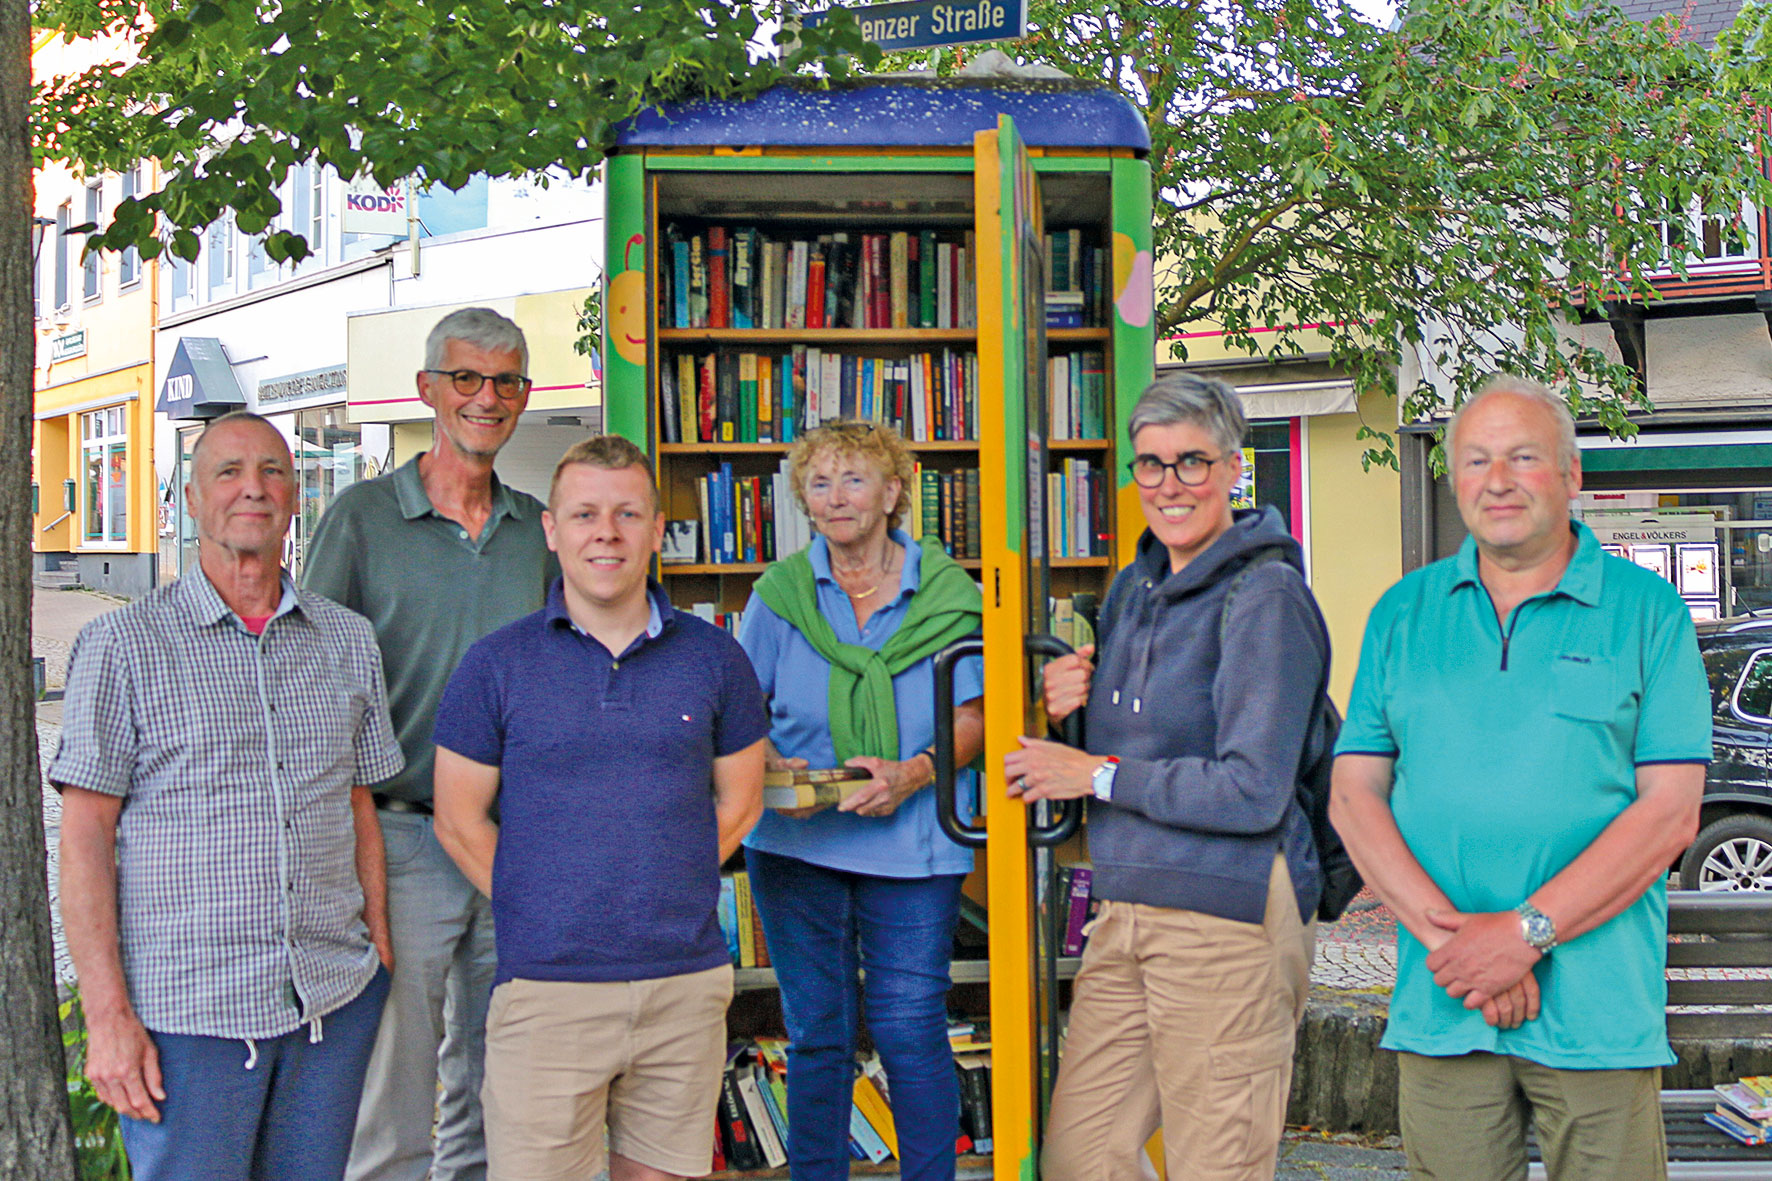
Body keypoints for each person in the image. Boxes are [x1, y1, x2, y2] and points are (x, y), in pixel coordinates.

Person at [1329, 376, 1710, 1181]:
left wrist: (1523, 934)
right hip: (1444, 1002)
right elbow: (1353, 797)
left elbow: (1671, 815)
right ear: (1454, 479)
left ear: (1573, 477)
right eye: (1475, 460)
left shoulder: (1649, 612)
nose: (1496, 480)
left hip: (1599, 1009)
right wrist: (1461, 948)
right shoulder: (1403, 612)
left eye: (1523, 457)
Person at [55, 411, 405, 1181]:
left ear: (294, 498)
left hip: (329, 1003)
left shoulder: (347, 640)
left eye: (274, 471)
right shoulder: (122, 646)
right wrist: (108, 1014)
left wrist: (376, 945)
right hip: (188, 1017)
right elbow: (83, 835)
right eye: (229, 471)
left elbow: (357, 804)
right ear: (188, 500)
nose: (254, 487)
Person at [1004, 373, 1326, 1180]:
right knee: (1081, 1155)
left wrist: (1094, 770)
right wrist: (1069, 707)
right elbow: (1131, 741)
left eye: (1191, 462)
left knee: (1215, 1164)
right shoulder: (1132, 588)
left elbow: (1252, 789)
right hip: (1127, 911)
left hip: (1231, 913)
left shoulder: (1267, 596)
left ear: (1231, 468)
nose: (1169, 484)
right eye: (1150, 464)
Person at [431, 435, 767, 1181]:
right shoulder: (495, 664)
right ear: (553, 531)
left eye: (626, 513)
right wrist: (549, 903)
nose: (605, 532)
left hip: (681, 984)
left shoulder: (718, 659)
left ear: (655, 527)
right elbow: (458, 819)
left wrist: (654, 883)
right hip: (547, 986)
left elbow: (740, 805)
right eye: (583, 514)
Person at [303, 306, 558, 1181]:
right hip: (401, 836)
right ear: (427, 389)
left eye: (506, 381)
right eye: (467, 378)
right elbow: (312, 680)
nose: (487, 397)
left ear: (525, 395)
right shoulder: (363, 516)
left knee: (496, 1074)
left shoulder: (540, 528)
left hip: (518, 840)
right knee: (396, 1078)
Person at [736, 420, 985, 1181]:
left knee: (910, 1028)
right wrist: (777, 766)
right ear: (803, 501)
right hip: (795, 842)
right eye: (819, 482)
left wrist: (912, 773)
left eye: (853, 479)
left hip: (915, 844)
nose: (836, 496)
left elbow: (976, 712)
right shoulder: (777, 596)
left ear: (893, 491)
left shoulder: (949, 592)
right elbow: (742, 713)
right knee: (818, 1032)